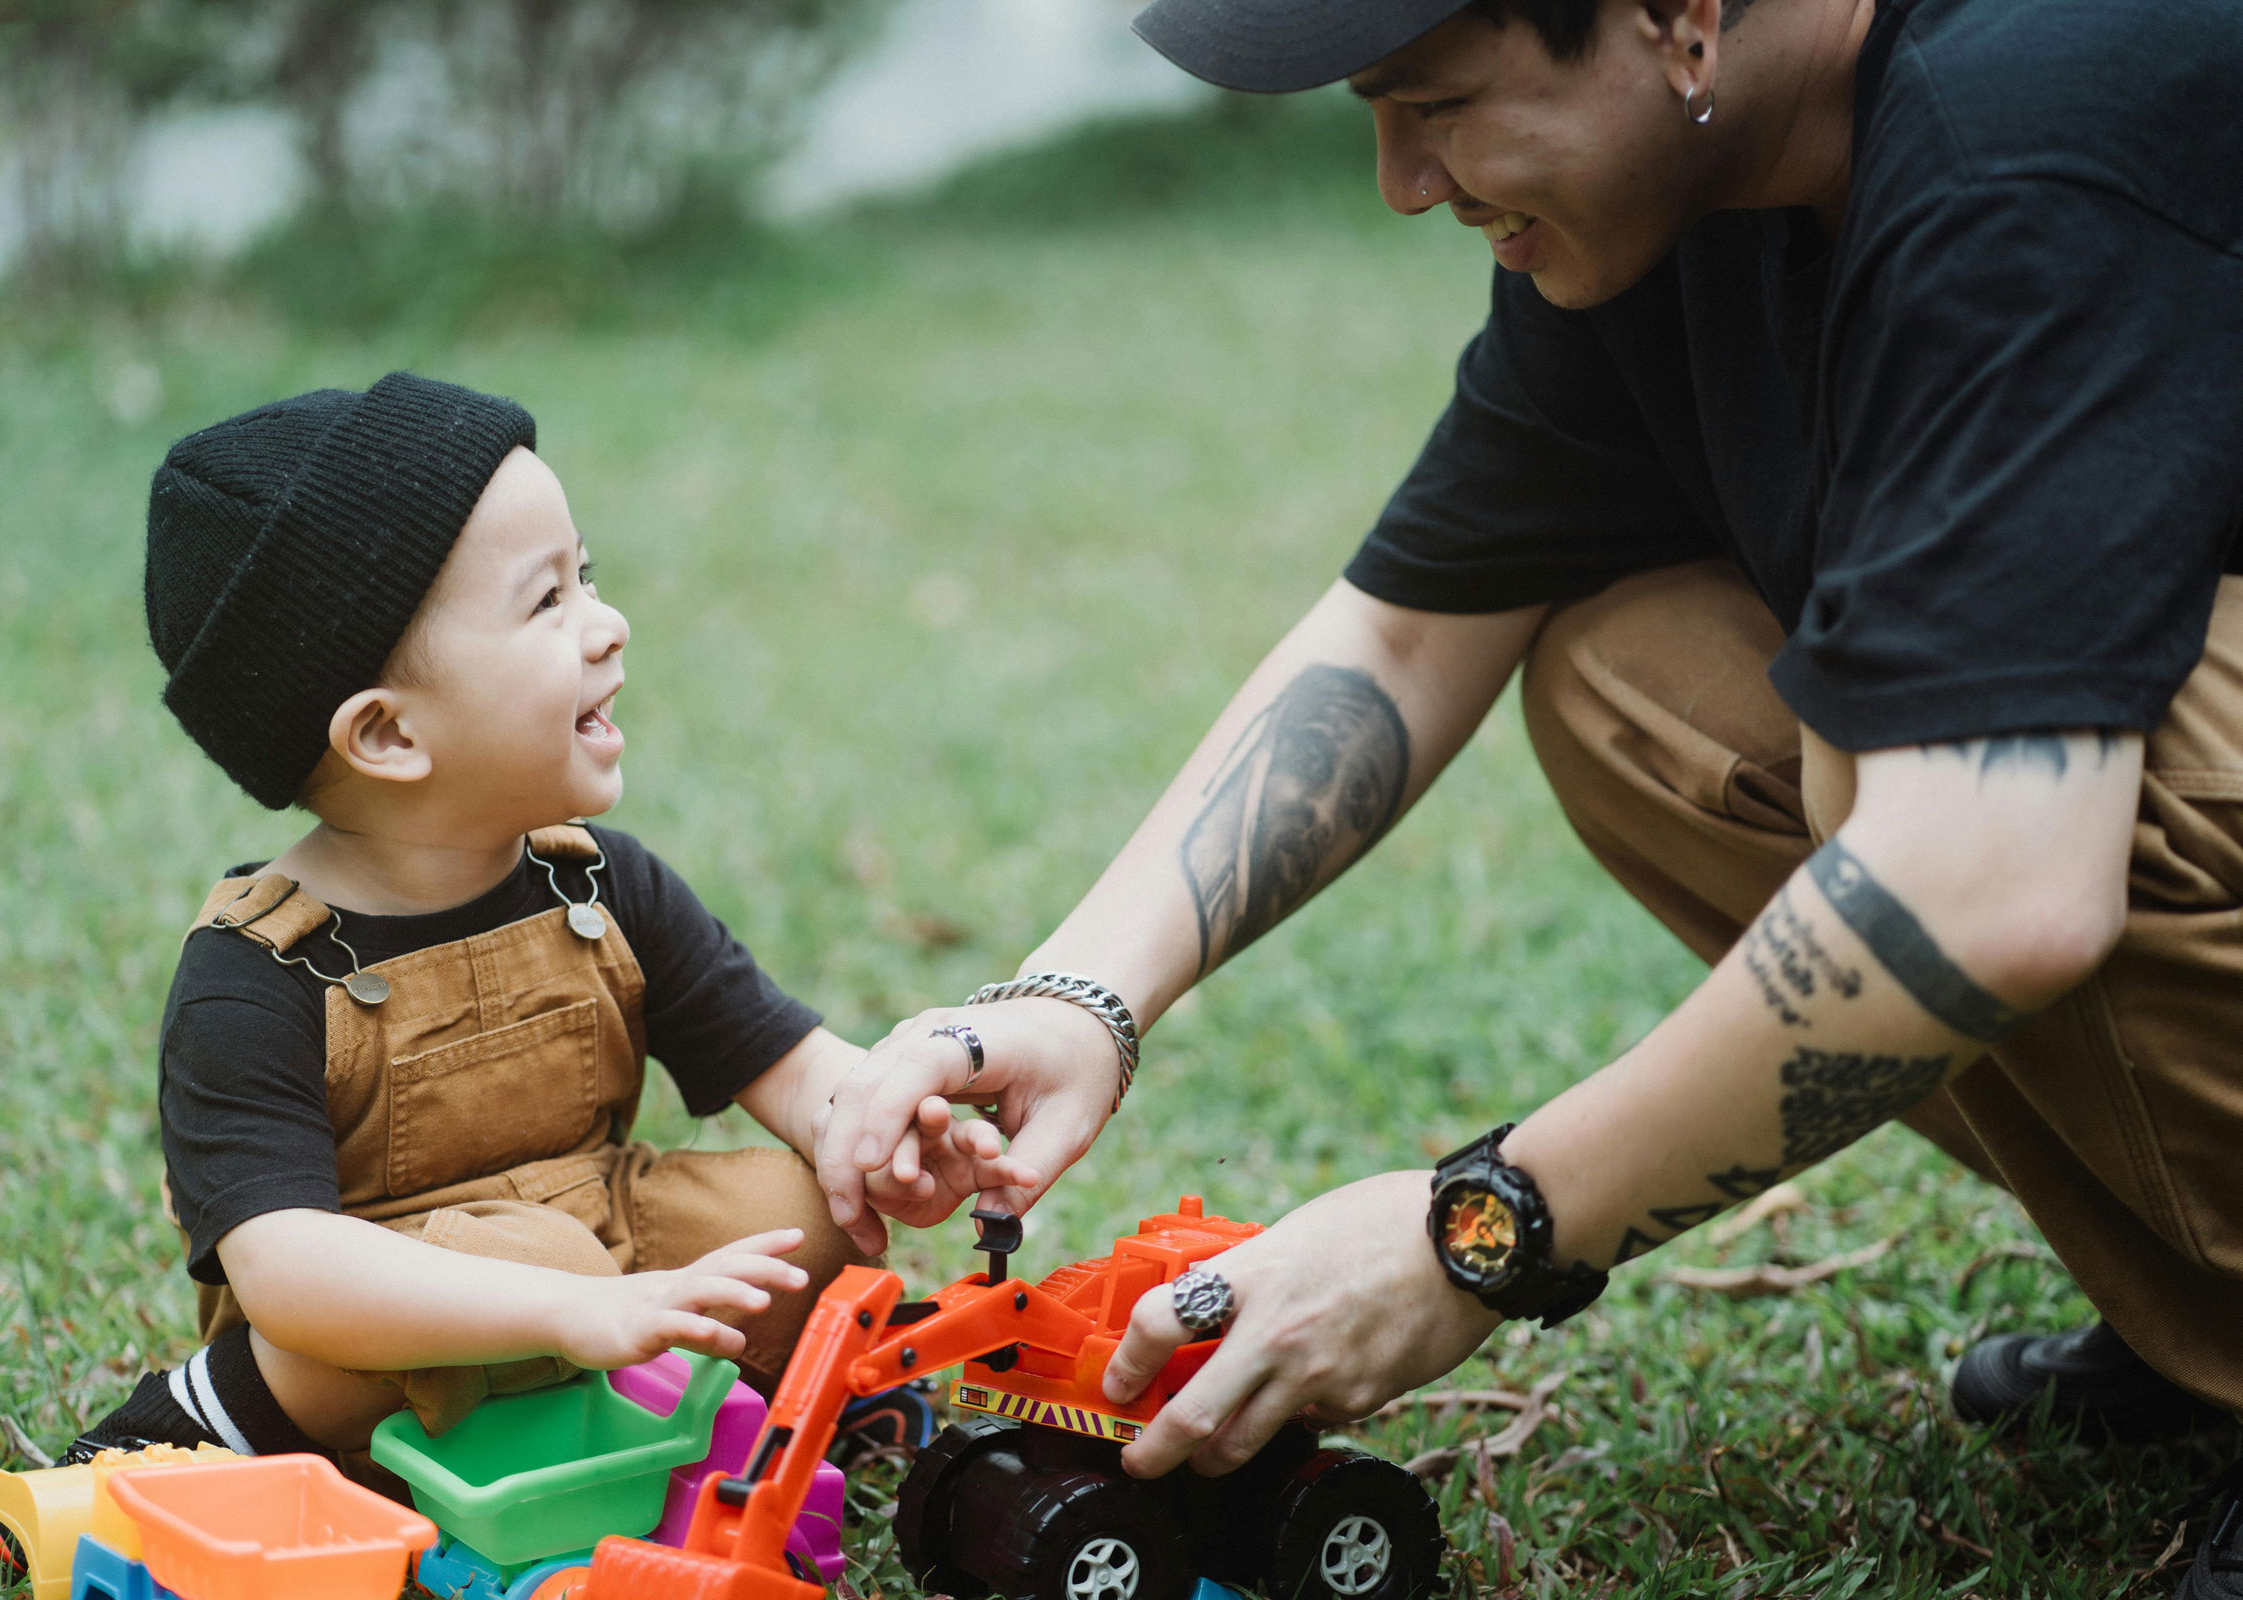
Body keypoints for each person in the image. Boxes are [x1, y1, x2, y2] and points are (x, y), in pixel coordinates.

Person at [816, 0, 2243, 1590]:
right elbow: (1411, 630)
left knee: (1953, 768)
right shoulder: (1683, 196)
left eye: (1436, 103)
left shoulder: (2027, 134)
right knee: (1636, 682)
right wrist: (1082, 996)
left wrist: (1477, 1233)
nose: (1401, 183)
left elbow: (1990, 881)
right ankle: (2207, 1308)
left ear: (1679, 18)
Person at [62, 373, 1028, 1467]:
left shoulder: (598, 887)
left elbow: (788, 1062)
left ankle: (734, 1406)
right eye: (547, 602)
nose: (609, 626)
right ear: (387, 736)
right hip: (372, 1326)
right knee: (545, 1267)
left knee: (797, 1213)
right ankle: (205, 1415)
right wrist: (565, 1307)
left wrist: (876, 1124)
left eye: (589, 576)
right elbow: (286, 1268)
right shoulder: (255, 976)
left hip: (595, 1245)